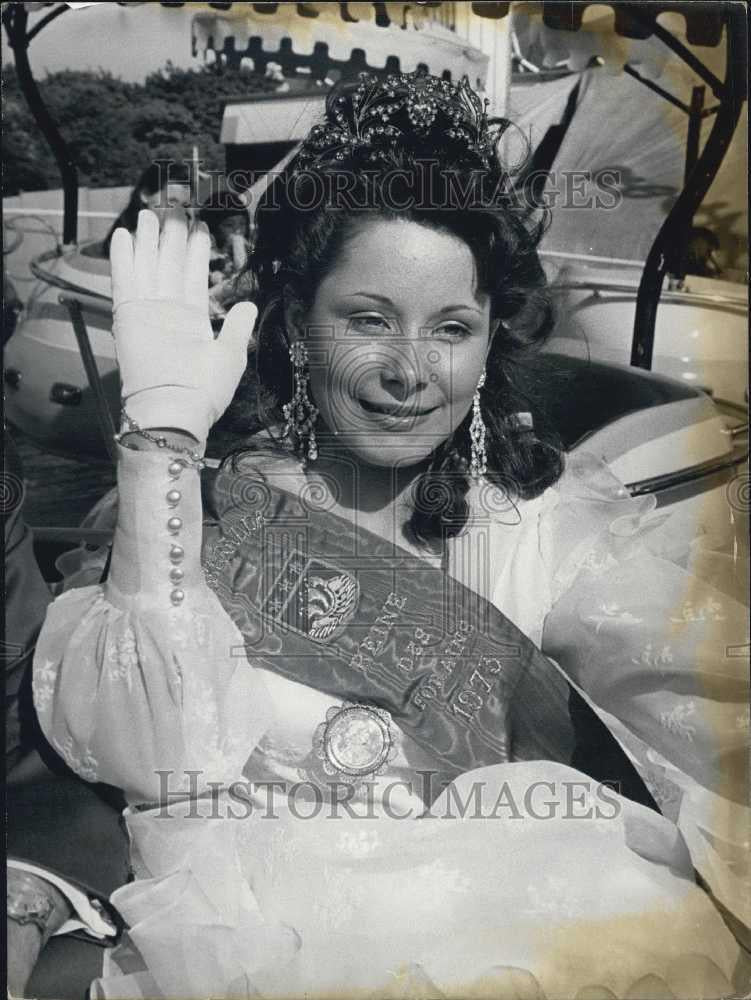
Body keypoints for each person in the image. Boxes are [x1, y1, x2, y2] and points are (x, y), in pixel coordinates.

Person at [31, 72, 749, 998]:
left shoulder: (542, 522)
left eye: (451, 328)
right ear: (296, 323)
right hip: (234, 947)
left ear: (490, 345)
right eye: (367, 319)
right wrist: (162, 445)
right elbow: (147, 753)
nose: (410, 371)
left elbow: (703, 705)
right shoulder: (199, 513)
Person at [100, 161, 193, 256]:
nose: (179, 212)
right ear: (145, 195)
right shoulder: (127, 245)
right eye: (171, 202)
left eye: (184, 205)